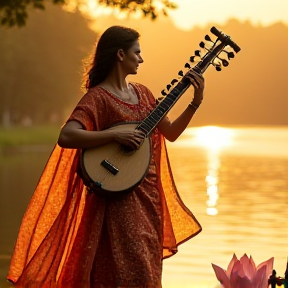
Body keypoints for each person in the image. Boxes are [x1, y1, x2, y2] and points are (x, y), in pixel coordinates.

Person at [7, 25, 204, 288]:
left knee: (148, 270)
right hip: (116, 201)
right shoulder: (98, 98)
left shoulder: (143, 93)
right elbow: (67, 135)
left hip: (148, 200)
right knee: (123, 272)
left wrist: (195, 102)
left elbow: (170, 133)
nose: (142, 59)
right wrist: (113, 136)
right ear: (121, 55)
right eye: (137, 52)